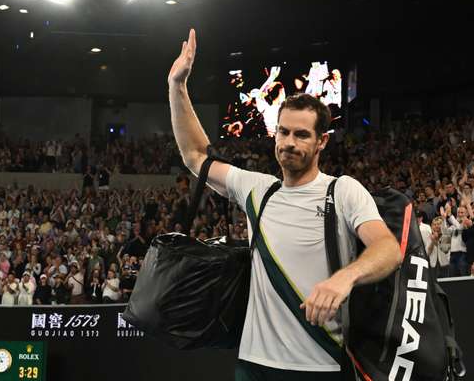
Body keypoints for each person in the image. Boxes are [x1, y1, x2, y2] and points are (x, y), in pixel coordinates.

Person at [168, 29, 401, 379]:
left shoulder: (343, 191)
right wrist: (177, 86)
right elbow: (195, 155)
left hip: (320, 364)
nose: (289, 142)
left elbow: (388, 249)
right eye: (283, 132)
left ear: (322, 141)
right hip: (253, 366)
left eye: (301, 134)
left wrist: (345, 278)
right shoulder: (257, 188)